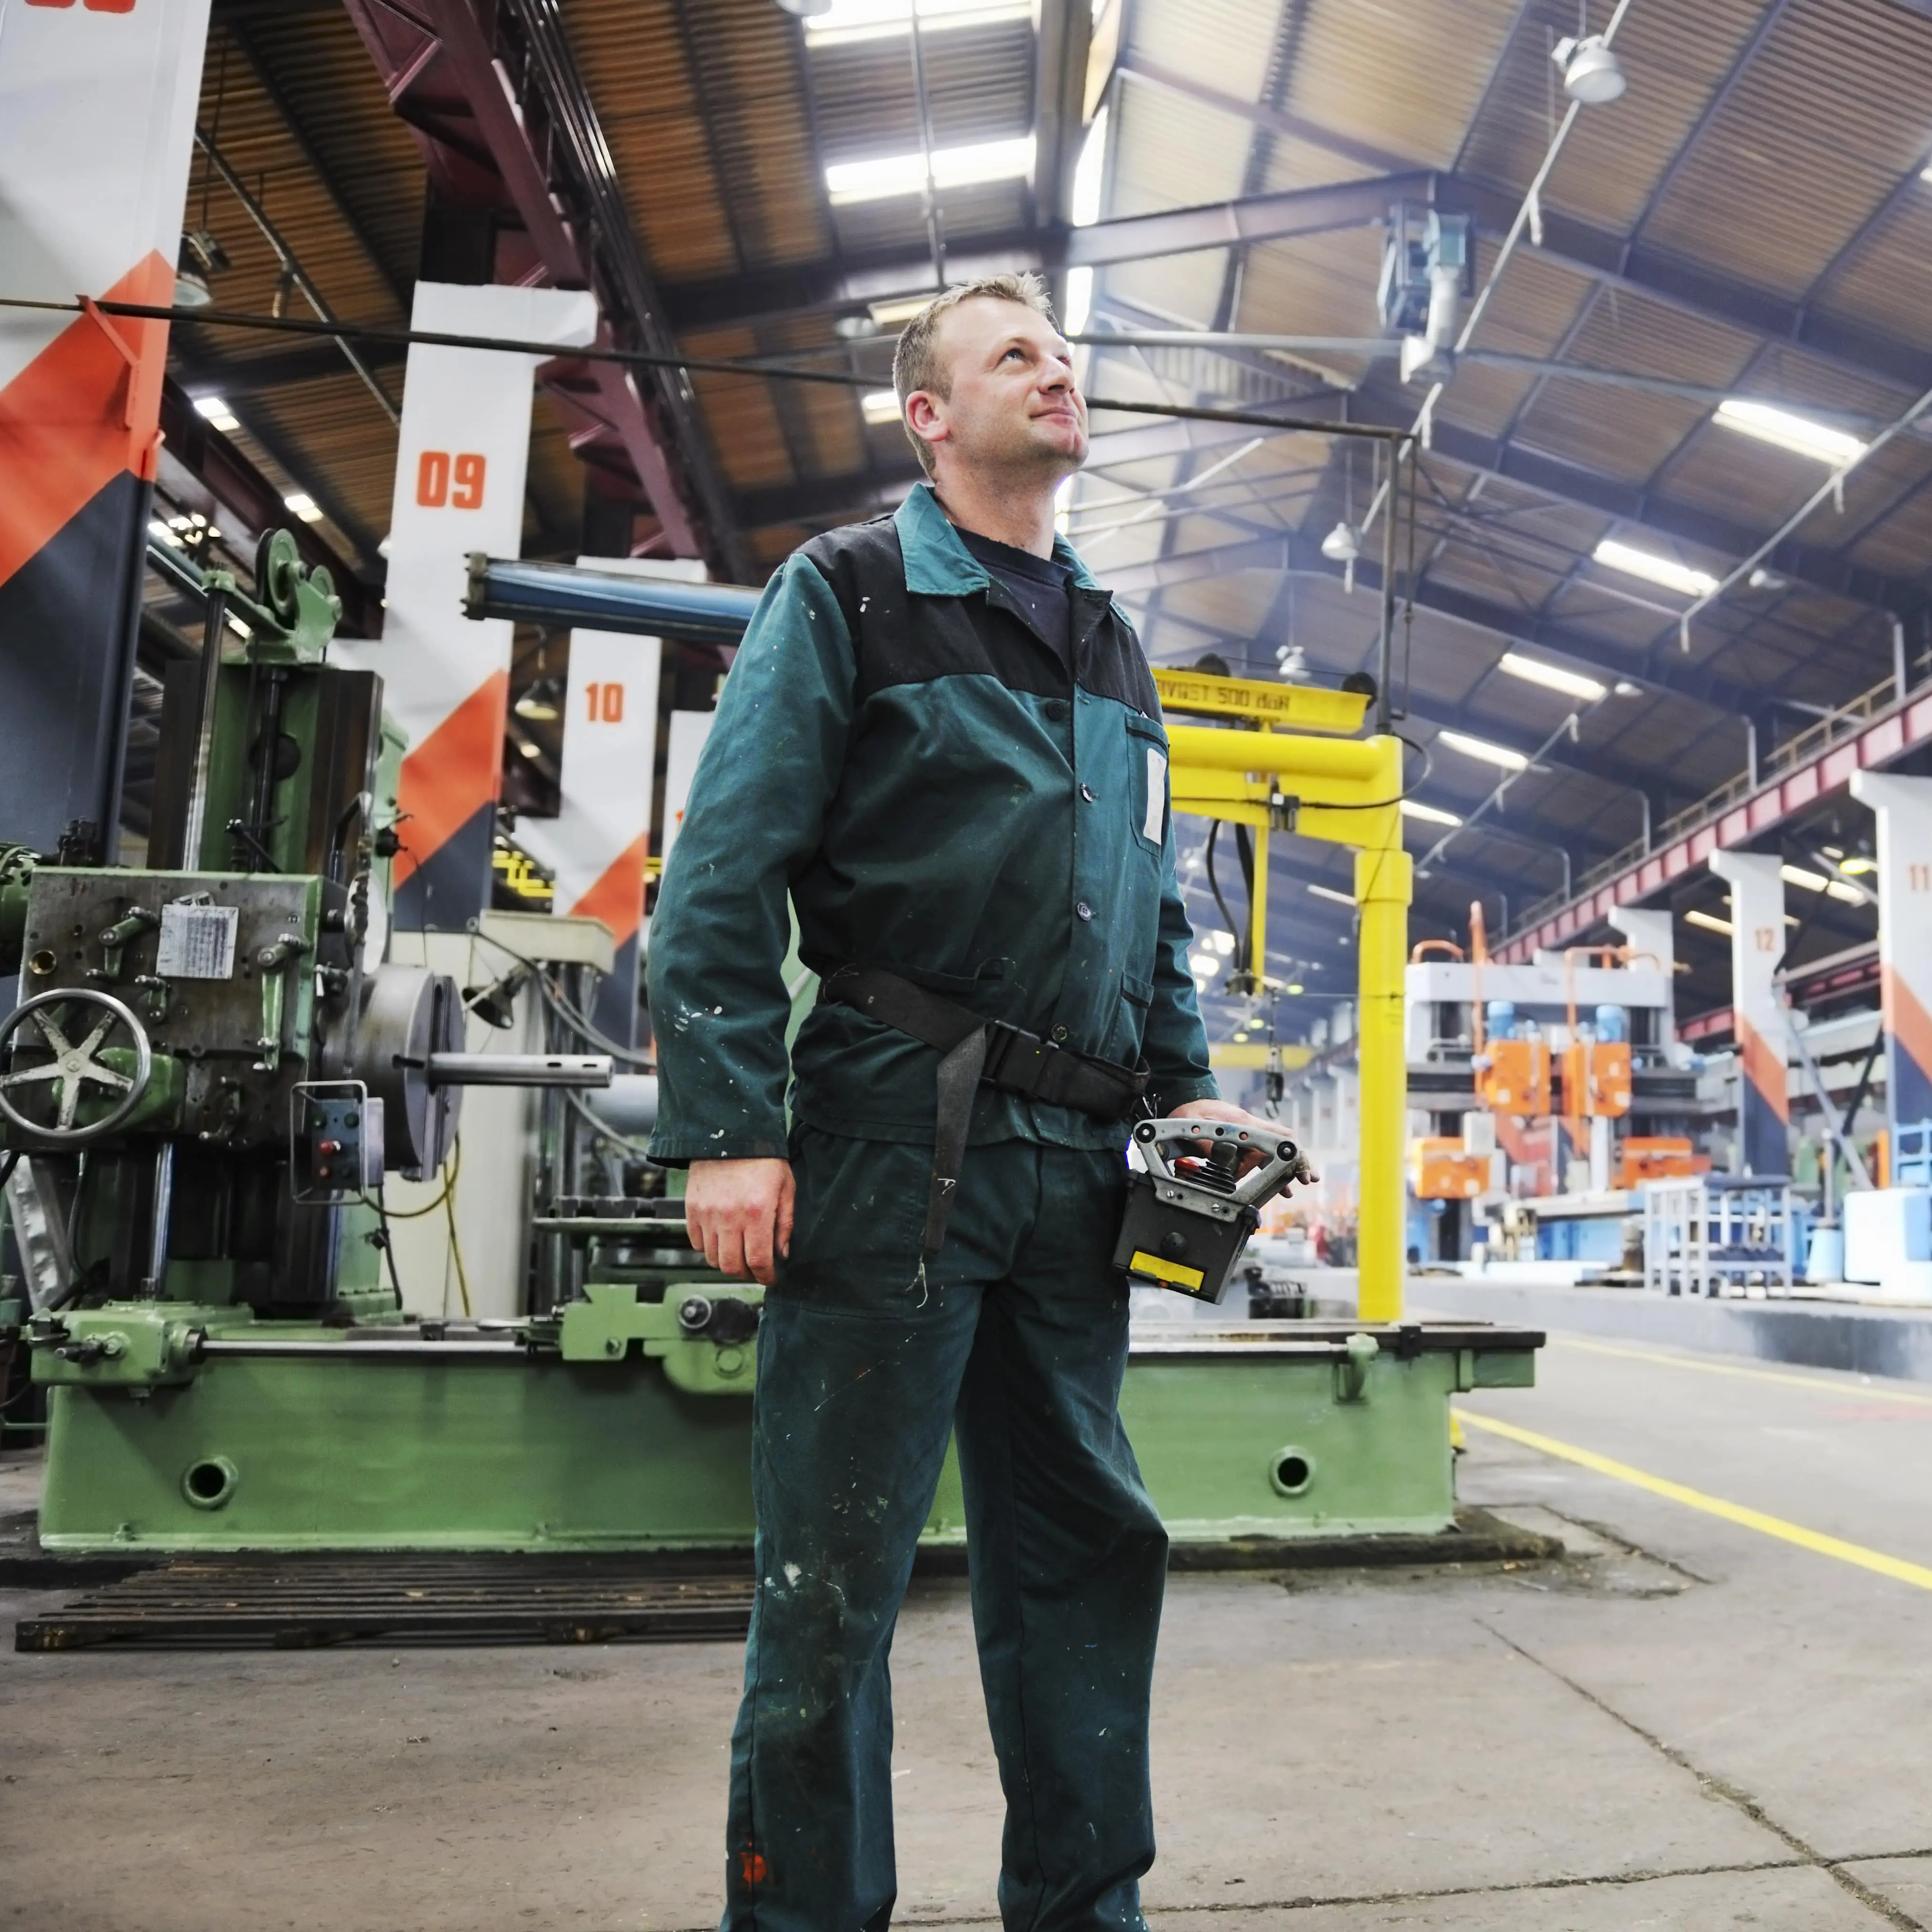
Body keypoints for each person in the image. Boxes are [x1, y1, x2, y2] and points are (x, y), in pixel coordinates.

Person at [647, 271, 1295, 1932]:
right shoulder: (849, 592)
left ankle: (1086, 1913)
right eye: (1018, 355)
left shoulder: (1112, 640)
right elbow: (722, 875)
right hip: (889, 1139)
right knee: (836, 1578)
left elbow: (1152, 921)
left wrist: (1193, 1122)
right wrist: (731, 1125)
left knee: (1089, 1548)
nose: (1058, 373)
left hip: (1078, 1169)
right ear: (927, 415)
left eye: (1068, 356)